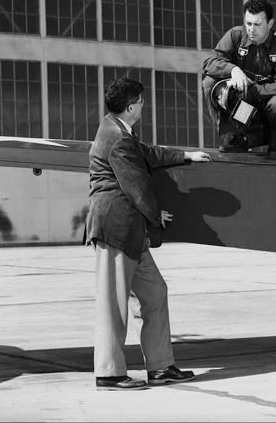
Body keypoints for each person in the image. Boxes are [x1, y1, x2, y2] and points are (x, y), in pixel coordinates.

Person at [84, 76, 212, 391]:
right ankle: (109, 373)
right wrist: (157, 216)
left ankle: (160, 367)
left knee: (155, 293)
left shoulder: (118, 130)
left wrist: (185, 156)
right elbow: (136, 187)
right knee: (114, 305)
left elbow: (147, 153)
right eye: (140, 101)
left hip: (131, 232)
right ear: (130, 107)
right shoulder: (116, 138)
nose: (144, 104)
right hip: (116, 229)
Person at [201, 0, 276, 159]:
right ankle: (231, 136)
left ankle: (273, 138)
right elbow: (209, 63)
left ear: (270, 24)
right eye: (248, 23)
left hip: (266, 106)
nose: (251, 29)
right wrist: (234, 70)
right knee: (209, 82)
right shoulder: (235, 35)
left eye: (257, 24)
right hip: (240, 107)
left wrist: (251, 90)